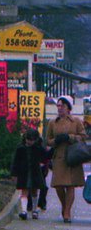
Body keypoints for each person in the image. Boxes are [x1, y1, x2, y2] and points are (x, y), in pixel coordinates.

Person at [46, 95, 87, 223]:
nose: (59, 108)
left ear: (68, 107)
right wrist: (56, 140)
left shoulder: (76, 121)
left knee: (70, 186)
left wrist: (70, 137)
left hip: (72, 156)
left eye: (62, 106)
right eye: (58, 106)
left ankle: (67, 212)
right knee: (58, 185)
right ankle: (64, 207)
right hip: (58, 156)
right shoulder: (53, 123)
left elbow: (83, 136)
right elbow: (48, 140)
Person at [10, 127, 49, 220]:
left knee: (34, 191)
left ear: (35, 140)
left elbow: (46, 156)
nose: (29, 142)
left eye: (31, 140)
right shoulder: (20, 148)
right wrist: (14, 173)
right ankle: (24, 211)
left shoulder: (38, 148)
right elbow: (15, 161)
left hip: (34, 172)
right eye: (28, 139)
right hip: (24, 172)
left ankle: (34, 210)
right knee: (24, 191)